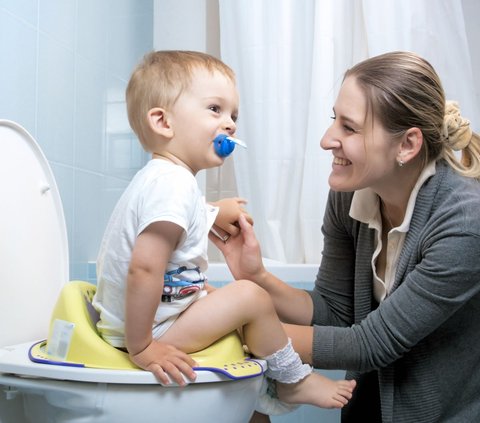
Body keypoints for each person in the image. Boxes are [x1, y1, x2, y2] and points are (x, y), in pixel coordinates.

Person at [211, 51, 480, 422]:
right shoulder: (349, 194)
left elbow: (372, 344)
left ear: (407, 144)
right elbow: (335, 313)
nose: (326, 140)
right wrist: (257, 278)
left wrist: (238, 326)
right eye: (333, 120)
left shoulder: (466, 221)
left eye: (349, 128)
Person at [92, 50, 356, 412]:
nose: (230, 123)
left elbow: (172, 226)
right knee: (250, 297)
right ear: (163, 122)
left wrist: (212, 213)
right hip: (146, 332)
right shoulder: (173, 185)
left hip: (148, 319)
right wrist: (143, 347)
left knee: (221, 298)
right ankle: (294, 381)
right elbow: (144, 268)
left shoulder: (165, 180)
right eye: (215, 109)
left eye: (234, 115)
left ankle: (259, 397)